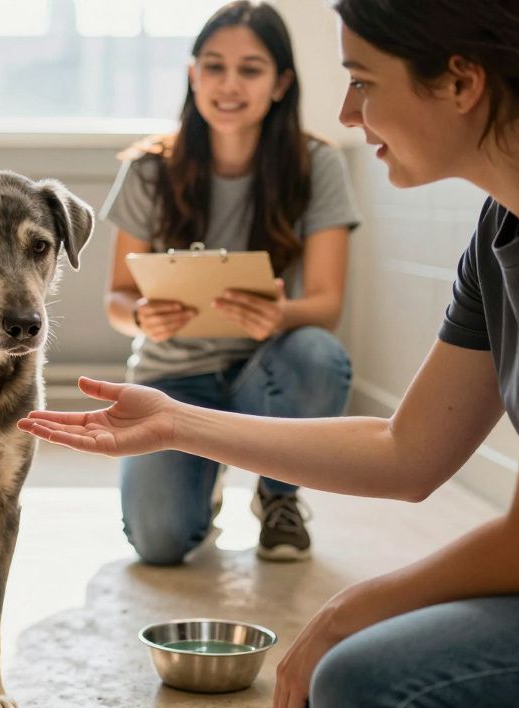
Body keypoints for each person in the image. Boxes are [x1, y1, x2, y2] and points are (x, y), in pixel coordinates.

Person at [24, 0, 519, 708]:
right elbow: (407, 451)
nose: (348, 110)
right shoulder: (506, 220)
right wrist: (174, 422)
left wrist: (348, 607)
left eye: (363, 80)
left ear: (461, 83)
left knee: (364, 686)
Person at [100, 0, 360, 564]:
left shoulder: (318, 165)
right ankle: (204, 479)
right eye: (214, 66)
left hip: (261, 374)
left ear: (281, 82)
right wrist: (144, 316)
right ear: (193, 75)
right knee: (158, 543)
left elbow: (326, 304)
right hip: (173, 380)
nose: (229, 84)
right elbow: (118, 301)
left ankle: (278, 492)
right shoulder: (148, 168)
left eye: (251, 69)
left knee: (318, 356)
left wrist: (281, 315)